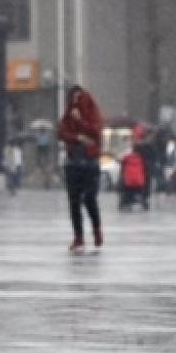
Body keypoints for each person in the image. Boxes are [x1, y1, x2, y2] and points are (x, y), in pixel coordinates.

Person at [57, 86, 104, 251]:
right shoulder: (68, 114)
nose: (76, 103)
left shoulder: (93, 114)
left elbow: (96, 131)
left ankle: (96, 230)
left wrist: (80, 122)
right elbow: (61, 132)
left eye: (79, 98)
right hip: (73, 163)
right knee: (74, 201)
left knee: (90, 198)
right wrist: (77, 137)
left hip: (90, 163)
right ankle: (78, 236)